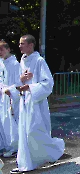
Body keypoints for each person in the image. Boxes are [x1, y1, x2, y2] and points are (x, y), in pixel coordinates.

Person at [12, 34, 64, 174]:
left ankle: (55, 148)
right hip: (24, 102)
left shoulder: (39, 61)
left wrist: (30, 87)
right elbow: (18, 82)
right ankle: (25, 163)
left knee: (34, 132)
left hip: (36, 103)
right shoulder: (22, 61)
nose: (19, 46)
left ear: (30, 45)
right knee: (24, 133)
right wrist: (21, 80)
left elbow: (48, 83)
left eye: (22, 43)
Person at [0, 40, 22, 158]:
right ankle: (7, 145)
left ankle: (15, 147)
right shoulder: (1, 63)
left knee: (11, 122)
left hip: (11, 96)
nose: (0, 52)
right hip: (3, 96)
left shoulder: (15, 64)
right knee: (4, 122)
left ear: (8, 49)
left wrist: (11, 90)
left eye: (1, 49)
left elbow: (19, 82)